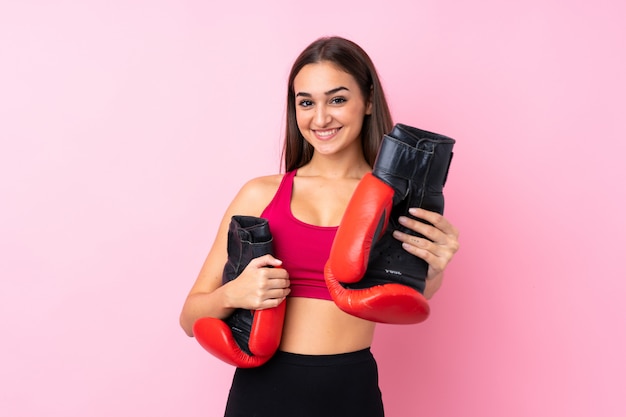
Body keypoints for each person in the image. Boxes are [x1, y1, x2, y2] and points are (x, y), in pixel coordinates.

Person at [179, 36, 460, 417]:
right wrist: (234, 294)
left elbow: (411, 295)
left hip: (351, 393)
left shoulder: (397, 202)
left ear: (369, 101)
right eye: (306, 102)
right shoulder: (259, 194)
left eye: (338, 99)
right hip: (262, 396)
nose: (320, 117)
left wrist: (437, 265)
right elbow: (189, 318)